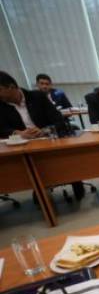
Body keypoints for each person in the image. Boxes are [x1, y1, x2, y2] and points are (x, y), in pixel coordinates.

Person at [0, 71, 84, 200]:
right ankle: (39, 187)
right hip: (23, 147)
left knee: (66, 161)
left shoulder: (37, 97)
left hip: (49, 141)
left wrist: (44, 130)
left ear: (10, 87)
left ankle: (74, 180)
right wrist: (17, 133)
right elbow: (1, 129)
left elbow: (59, 120)